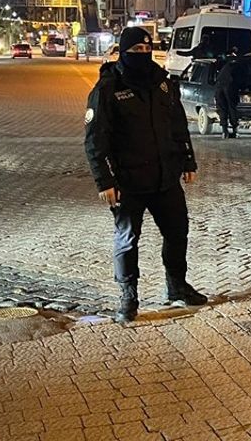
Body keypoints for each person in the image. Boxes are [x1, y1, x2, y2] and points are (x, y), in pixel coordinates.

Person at [83, 27, 206, 322]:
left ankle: (177, 286)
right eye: (135, 50)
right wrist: (105, 181)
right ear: (124, 51)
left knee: (177, 233)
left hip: (165, 178)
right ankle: (128, 295)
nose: (142, 54)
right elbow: (94, 139)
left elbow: (178, 127)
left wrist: (188, 162)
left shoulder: (162, 83)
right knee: (127, 240)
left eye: (146, 49)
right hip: (129, 182)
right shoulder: (108, 88)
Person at [213, 48, 242, 139]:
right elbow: (240, 79)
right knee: (231, 108)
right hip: (229, 87)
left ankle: (224, 132)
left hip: (219, 87)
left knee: (222, 109)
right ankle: (234, 130)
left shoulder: (223, 63)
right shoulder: (237, 66)